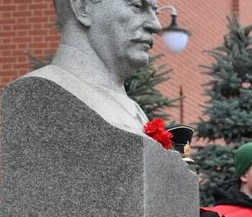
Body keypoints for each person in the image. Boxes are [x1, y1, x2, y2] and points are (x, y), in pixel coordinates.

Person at [28, 0, 163, 135]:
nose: (156, 25)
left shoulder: (133, 109)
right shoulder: (39, 93)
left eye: (155, 11)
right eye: (137, 6)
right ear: (83, 7)